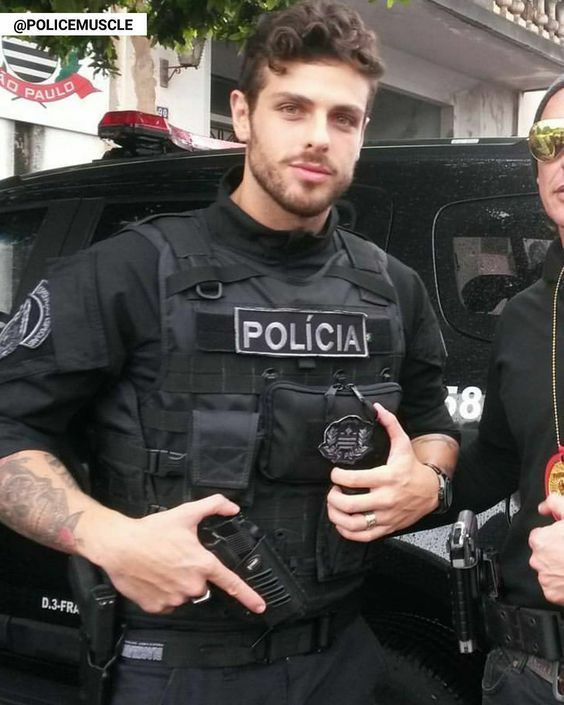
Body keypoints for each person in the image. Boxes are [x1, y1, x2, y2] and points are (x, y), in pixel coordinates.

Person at [0, 2, 459, 703]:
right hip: (177, 668)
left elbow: (434, 421)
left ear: (363, 131)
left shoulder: (393, 288)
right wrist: (105, 536)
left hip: (345, 661)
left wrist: (427, 481)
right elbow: (10, 425)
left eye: (343, 118)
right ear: (242, 114)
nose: (317, 137)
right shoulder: (130, 272)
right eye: (293, 108)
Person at [334, 75, 564, 704]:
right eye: (551, 139)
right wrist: (426, 484)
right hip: (527, 673)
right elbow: (496, 458)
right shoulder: (524, 315)